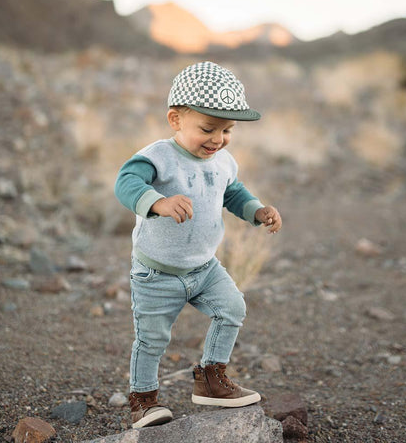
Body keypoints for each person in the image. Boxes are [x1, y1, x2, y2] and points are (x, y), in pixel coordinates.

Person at [114, 61, 282, 428]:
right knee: (152, 338)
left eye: (227, 130)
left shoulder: (223, 162)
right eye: (208, 128)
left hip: (205, 268)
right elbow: (125, 182)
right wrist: (156, 202)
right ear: (176, 120)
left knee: (232, 308)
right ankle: (144, 400)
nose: (217, 139)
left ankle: (210, 379)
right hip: (156, 271)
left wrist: (256, 211)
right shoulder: (159, 156)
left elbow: (233, 192)